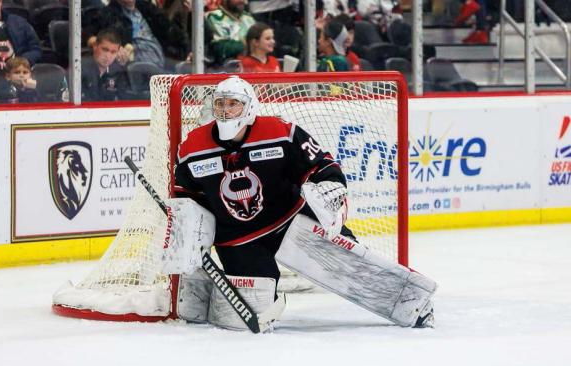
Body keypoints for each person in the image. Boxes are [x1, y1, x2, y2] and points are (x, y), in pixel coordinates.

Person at [170, 76, 436, 331]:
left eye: (233, 104)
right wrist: (189, 234)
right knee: (249, 308)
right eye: (220, 104)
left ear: (249, 108)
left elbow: (321, 164)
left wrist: (329, 188)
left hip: (290, 219)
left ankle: (413, 305)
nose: (226, 111)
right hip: (238, 237)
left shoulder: (280, 132)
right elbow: (188, 199)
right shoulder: (192, 147)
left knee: (349, 265)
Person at [84, 0, 189, 71]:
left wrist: (189, 51)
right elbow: (88, 33)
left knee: (191, 70)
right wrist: (109, 47)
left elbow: (173, 33)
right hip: (135, 69)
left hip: (163, 64)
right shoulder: (107, 14)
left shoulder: (147, 10)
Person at [81, 29, 130, 102]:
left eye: (113, 52)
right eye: (105, 50)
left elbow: (124, 101)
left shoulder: (118, 72)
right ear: (95, 46)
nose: (108, 56)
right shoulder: (79, 68)